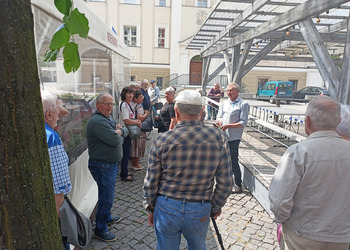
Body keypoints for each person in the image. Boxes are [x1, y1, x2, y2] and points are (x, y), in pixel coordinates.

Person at [143, 90, 233, 250]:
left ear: (176, 112)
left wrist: (150, 207)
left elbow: (151, 181)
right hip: (199, 207)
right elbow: (226, 182)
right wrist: (215, 206)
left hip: (167, 206)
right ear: (202, 111)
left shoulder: (162, 140)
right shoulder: (218, 137)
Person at [269, 97, 350, 250]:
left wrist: (282, 220)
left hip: (303, 235)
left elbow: (279, 202)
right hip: (342, 236)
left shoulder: (298, 152)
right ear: (338, 121)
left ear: (307, 121)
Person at [86, 92, 128, 242]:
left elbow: (125, 130)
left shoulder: (107, 118)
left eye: (111, 104)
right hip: (102, 166)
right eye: (106, 104)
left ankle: (107, 217)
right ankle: (100, 229)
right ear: (98, 105)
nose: (110, 107)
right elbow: (116, 140)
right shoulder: (98, 121)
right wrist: (119, 132)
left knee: (106, 194)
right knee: (106, 197)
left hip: (109, 165)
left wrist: (120, 130)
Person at [41, 91, 72, 249]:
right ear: (49, 114)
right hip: (52, 205)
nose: (59, 117)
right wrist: (60, 219)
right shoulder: (51, 138)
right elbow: (59, 187)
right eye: (57, 113)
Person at [216, 82, 249, 193]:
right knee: (223, 160)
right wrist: (220, 123)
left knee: (233, 160)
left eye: (231, 90)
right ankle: (226, 182)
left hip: (234, 137)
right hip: (223, 135)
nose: (229, 93)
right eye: (228, 91)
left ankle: (238, 184)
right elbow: (220, 116)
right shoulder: (225, 103)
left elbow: (243, 122)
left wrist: (228, 125)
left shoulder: (243, 104)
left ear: (237, 91)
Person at [120, 86, 141, 181]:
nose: (130, 95)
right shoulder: (124, 105)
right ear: (124, 94)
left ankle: (125, 171)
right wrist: (136, 122)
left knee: (127, 152)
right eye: (128, 93)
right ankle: (124, 174)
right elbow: (126, 120)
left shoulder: (127, 104)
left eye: (132, 93)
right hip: (125, 133)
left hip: (127, 132)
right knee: (125, 154)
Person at [130, 90, 149, 170]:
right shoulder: (139, 106)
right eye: (140, 97)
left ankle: (134, 163)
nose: (142, 98)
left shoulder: (130, 104)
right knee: (139, 146)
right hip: (139, 128)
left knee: (134, 146)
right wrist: (146, 113)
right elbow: (140, 118)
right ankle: (136, 165)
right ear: (135, 98)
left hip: (133, 128)